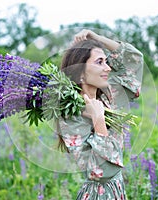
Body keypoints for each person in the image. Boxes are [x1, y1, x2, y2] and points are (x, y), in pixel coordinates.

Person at [58, 29, 143, 199]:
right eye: (100, 62)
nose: (108, 67)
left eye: (106, 61)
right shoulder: (71, 115)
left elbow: (135, 59)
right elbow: (102, 171)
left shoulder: (110, 95)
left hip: (118, 191)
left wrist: (96, 38)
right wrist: (98, 121)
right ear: (81, 73)